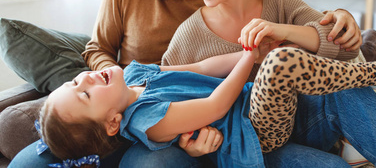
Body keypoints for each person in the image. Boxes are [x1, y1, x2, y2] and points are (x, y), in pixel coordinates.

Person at [7, 0, 365, 168]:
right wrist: (109, 82)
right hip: (151, 112)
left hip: (247, 110)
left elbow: (204, 71)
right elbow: (98, 50)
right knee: (29, 156)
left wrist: (334, 16)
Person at [161, 0, 372, 166]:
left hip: (306, 125)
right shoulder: (190, 35)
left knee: (347, 89)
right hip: (249, 146)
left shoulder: (279, 1)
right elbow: (163, 99)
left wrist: (282, 30)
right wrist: (190, 147)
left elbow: (346, 49)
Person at [38, 45, 376, 168]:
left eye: (74, 82)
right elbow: (215, 106)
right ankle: (370, 70)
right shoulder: (146, 119)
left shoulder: (134, 72)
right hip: (254, 133)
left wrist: (247, 51)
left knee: (344, 91)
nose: (84, 80)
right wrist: (250, 59)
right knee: (280, 61)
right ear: (113, 123)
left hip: (267, 109)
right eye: (83, 95)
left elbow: (199, 68)